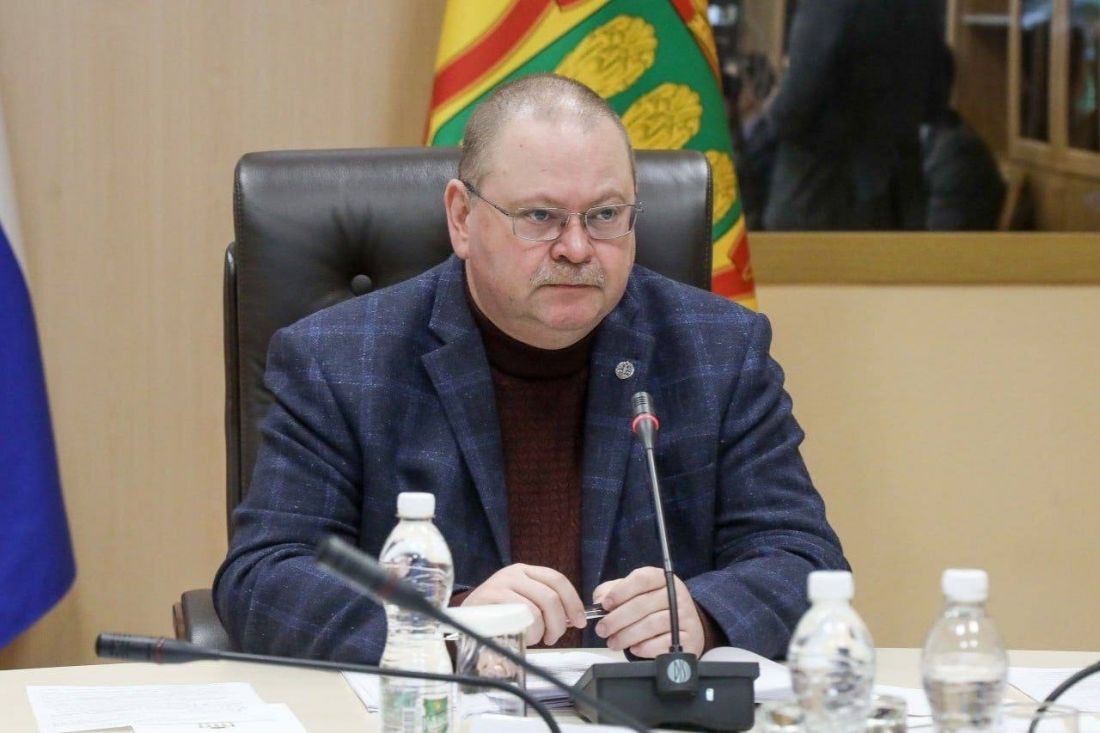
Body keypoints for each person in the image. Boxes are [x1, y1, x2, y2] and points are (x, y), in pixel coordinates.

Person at [213, 73, 848, 665]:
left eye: (605, 215)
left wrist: (704, 612)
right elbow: (263, 579)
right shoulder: (340, 358)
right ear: (462, 218)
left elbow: (804, 560)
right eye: (540, 216)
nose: (576, 247)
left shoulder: (718, 350)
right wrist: (443, 621)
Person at [763, 0, 950, 231]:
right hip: (900, 200)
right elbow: (936, 98)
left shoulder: (827, 6)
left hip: (820, 197)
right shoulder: (922, 6)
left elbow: (794, 108)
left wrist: (769, 111)